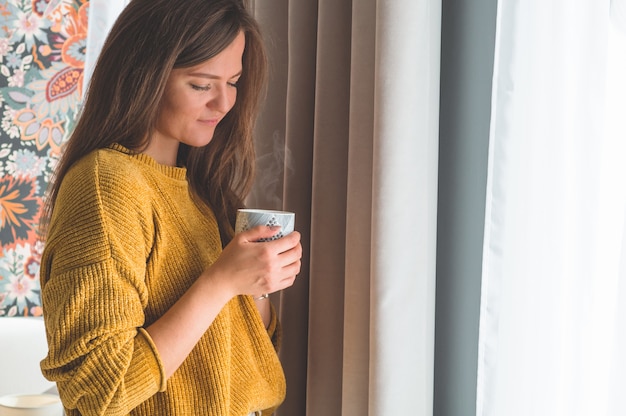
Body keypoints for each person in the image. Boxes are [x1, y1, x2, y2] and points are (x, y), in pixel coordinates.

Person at [38, 0, 302, 415]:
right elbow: (99, 394)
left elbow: (237, 360)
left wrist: (256, 280)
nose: (224, 103)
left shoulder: (201, 190)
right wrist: (220, 282)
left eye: (233, 81)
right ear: (144, 76)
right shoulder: (106, 185)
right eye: (201, 85)